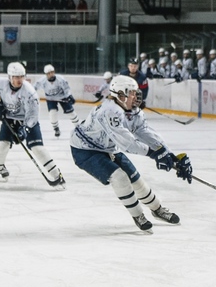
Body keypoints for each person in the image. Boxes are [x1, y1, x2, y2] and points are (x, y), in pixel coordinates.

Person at [70, 75, 192, 232]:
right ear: (120, 95)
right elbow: (127, 143)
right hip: (85, 149)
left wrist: (168, 154)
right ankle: (138, 215)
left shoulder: (132, 110)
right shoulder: (109, 111)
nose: (136, 96)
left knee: (135, 178)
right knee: (119, 177)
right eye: (132, 93)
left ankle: (157, 209)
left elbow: (144, 132)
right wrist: (154, 154)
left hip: (107, 147)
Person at [0, 62, 65, 187]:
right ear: (10, 77)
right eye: (15, 77)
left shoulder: (29, 92)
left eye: (21, 76)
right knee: (2, 146)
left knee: (37, 148)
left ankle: (57, 175)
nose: (19, 80)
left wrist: (24, 129)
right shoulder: (0, 84)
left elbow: (33, 115)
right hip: (9, 119)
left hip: (27, 121)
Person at [33, 64, 80, 137]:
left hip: (62, 97)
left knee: (71, 112)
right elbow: (34, 88)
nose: (51, 74)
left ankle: (78, 127)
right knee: (52, 113)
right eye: (49, 73)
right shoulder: (42, 81)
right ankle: (56, 128)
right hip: (51, 99)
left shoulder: (60, 79)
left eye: (52, 72)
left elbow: (66, 88)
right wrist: (32, 96)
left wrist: (69, 96)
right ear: (46, 74)